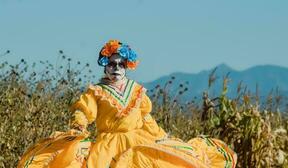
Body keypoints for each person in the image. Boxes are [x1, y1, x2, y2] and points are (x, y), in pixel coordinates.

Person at [18, 40, 237, 168]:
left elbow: (145, 118)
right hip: (108, 143)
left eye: (120, 65)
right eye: (112, 64)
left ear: (127, 66)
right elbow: (84, 110)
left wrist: (161, 136)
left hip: (138, 139)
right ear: (105, 66)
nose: (116, 68)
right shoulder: (97, 91)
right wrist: (79, 126)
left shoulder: (137, 90)